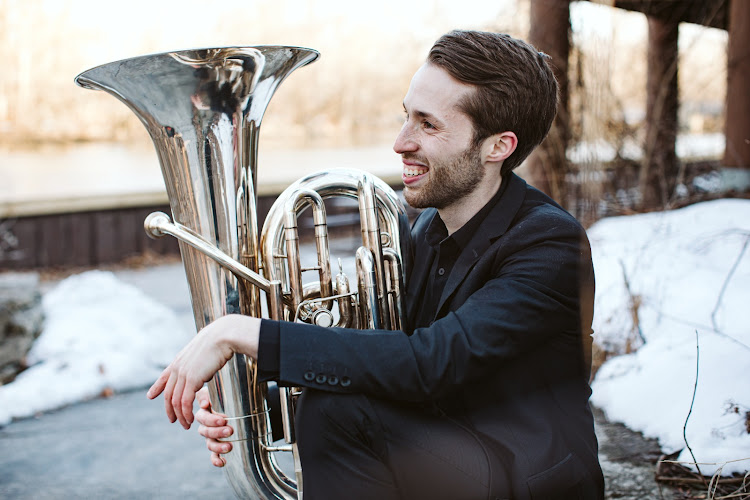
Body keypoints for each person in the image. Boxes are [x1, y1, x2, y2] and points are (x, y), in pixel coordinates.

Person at [148, 30, 604, 499]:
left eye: (428, 125)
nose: (400, 142)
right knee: (333, 398)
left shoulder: (549, 244)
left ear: (497, 147)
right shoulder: (424, 229)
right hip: (448, 453)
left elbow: (432, 361)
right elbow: (378, 357)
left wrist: (243, 333)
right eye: (406, 117)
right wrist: (243, 399)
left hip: (527, 479)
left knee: (337, 411)